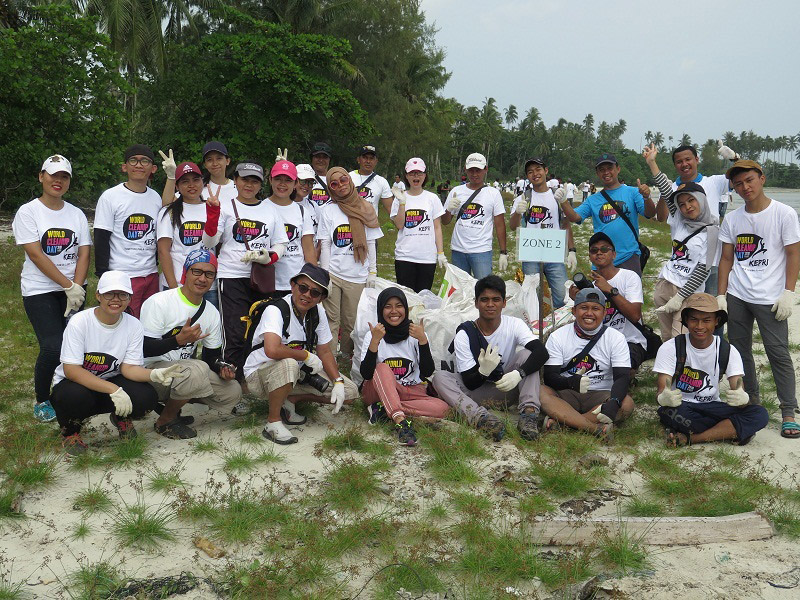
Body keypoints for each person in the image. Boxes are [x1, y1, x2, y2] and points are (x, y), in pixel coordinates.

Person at [49, 271, 183, 455]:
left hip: (113, 379)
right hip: (76, 384)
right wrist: (112, 390)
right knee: (73, 397)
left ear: (129, 298)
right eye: (109, 294)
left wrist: (153, 375)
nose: (116, 299)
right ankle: (70, 433)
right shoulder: (79, 322)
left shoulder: (133, 325)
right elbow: (71, 370)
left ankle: (121, 417)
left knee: (146, 397)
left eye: (122, 295)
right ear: (98, 295)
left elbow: (128, 368)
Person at [718, 160, 800, 439]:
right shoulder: (732, 218)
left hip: (770, 297)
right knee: (740, 353)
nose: (745, 187)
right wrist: (721, 295)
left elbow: (793, 254)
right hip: (738, 294)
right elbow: (726, 258)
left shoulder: (784, 214)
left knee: (778, 353)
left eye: (749, 180)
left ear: (761, 178)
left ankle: (788, 409)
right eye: (738, 184)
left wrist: (789, 292)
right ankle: (750, 399)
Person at [13, 155, 91, 422]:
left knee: (75, 345)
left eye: (64, 177)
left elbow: (83, 252)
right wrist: (67, 285)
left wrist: (77, 287)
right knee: (52, 346)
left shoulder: (76, 214)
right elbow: (36, 254)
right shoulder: (28, 211)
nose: (58, 181)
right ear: (41, 176)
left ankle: (69, 392)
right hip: (40, 290)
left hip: (74, 289)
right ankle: (42, 400)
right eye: (53, 175)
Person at [243, 264, 358, 444]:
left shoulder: (318, 312)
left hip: (293, 373)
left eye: (315, 293)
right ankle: (273, 423)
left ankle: (289, 400)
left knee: (350, 392)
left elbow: (325, 350)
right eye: (303, 288)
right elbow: (272, 350)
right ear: (292, 285)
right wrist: (305, 355)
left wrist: (338, 381)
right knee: (289, 363)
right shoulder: (276, 309)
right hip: (259, 375)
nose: (306, 295)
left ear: (321, 298)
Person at [432, 276, 549, 441]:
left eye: (496, 299)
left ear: (504, 303)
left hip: (505, 387)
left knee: (527, 355)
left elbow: (542, 352)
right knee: (440, 377)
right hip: (475, 392)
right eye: (484, 300)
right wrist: (483, 371)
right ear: (476, 303)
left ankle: (529, 415)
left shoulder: (514, 324)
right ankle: (481, 418)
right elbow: (470, 382)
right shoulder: (465, 334)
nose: (490, 304)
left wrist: (519, 374)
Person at [140, 250, 242, 439]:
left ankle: (172, 406)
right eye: (197, 271)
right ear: (185, 272)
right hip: (151, 373)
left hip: (184, 373)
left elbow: (211, 356)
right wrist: (177, 341)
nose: (202, 278)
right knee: (197, 369)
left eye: (209, 274)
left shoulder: (211, 312)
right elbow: (144, 348)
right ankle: (166, 420)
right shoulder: (159, 302)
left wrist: (222, 367)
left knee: (232, 391)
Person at [201, 161, 288, 380]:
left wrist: (268, 257)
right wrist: (212, 213)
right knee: (235, 330)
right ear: (236, 180)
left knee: (259, 327)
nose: (249, 185)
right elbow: (210, 240)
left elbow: (281, 243)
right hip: (231, 275)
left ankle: (254, 378)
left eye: (254, 181)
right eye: (244, 179)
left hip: (260, 278)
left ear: (261, 184)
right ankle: (232, 378)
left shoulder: (270, 209)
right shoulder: (226, 206)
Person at [653, 293, 768, 446]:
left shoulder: (728, 350)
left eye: (706, 320)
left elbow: (738, 389)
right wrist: (663, 398)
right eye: (694, 319)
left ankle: (689, 438)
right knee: (668, 412)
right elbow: (662, 392)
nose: (699, 326)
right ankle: (729, 430)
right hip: (681, 405)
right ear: (686, 320)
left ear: (716, 321)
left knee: (760, 415)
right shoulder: (670, 347)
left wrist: (743, 397)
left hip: (713, 406)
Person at [644, 141, 740, 294]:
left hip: (712, 258)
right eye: (679, 162)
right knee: (685, 309)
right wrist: (652, 164)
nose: (684, 164)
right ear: (675, 165)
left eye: (688, 159)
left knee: (711, 306)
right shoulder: (672, 189)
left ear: (697, 159)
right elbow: (661, 217)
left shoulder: (714, 182)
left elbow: (746, 175)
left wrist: (735, 159)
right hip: (684, 260)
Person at [539, 288, 633, 440]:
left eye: (595, 309)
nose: (589, 313)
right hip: (566, 393)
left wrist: (614, 402)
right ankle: (593, 428)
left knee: (626, 403)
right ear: (574, 311)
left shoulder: (616, 338)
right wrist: (570, 382)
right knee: (540, 391)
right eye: (584, 308)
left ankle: (566, 423)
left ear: (604, 313)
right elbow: (550, 377)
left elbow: (622, 377)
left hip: (600, 395)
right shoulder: (558, 336)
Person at [359, 288, 450, 446]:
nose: (394, 311)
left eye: (399, 305)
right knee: (381, 368)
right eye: (388, 306)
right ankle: (400, 421)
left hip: (410, 391)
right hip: (377, 390)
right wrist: (375, 342)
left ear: (405, 309)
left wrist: (423, 341)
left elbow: (427, 372)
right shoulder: (373, 335)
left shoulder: (416, 334)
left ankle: (382, 409)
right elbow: (366, 374)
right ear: (381, 310)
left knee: (442, 409)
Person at [317, 167, 383, 358]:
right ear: (331, 188)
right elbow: (326, 244)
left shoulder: (366, 207)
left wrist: (373, 272)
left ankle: (347, 354)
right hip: (334, 274)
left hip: (357, 275)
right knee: (331, 319)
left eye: (343, 180)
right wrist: (325, 274)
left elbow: (371, 242)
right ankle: (328, 356)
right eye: (334, 183)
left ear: (350, 180)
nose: (341, 186)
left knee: (351, 321)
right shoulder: (328, 210)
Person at [93, 144, 163, 317]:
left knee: (149, 322)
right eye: (133, 160)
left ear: (153, 168)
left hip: (151, 273)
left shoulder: (155, 197)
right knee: (123, 323)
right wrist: (103, 274)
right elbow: (101, 237)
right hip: (122, 274)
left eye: (144, 161)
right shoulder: (110, 196)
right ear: (124, 167)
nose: (139, 165)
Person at [559, 153, 656, 276]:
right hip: (601, 259)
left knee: (629, 295)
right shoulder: (592, 200)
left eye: (610, 168)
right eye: (602, 170)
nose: (606, 172)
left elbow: (650, 213)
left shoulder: (632, 192)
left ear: (618, 169)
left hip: (629, 256)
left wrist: (647, 197)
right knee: (600, 295)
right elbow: (575, 217)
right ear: (597, 173)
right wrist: (563, 201)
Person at [568, 233, 649, 370]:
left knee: (620, 366)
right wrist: (578, 302)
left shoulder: (629, 277)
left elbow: (635, 316)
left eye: (604, 249)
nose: (599, 253)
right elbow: (587, 323)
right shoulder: (590, 288)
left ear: (614, 255)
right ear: (590, 257)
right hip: (600, 342)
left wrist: (610, 290)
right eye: (594, 250)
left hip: (630, 341)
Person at [652, 182, 719, 340]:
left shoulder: (713, 232)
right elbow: (667, 192)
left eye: (691, 200)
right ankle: (670, 365)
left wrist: (680, 297)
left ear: (701, 199)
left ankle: (684, 365)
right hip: (665, 285)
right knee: (667, 337)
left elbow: (703, 270)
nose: (687, 207)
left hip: (688, 294)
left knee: (681, 338)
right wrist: (652, 162)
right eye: (682, 204)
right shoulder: (680, 220)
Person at [509, 157, 577, 309]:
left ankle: (559, 327)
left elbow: (566, 224)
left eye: (538, 170)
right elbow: (513, 226)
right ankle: (534, 328)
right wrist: (518, 213)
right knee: (532, 297)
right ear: (527, 176)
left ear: (546, 171)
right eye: (530, 172)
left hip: (554, 253)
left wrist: (571, 250)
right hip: (531, 254)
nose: (535, 174)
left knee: (562, 295)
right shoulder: (523, 197)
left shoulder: (557, 196)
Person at [157, 161, 218, 306]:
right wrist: (173, 288)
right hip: (179, 284)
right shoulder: (168, 212)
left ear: (202, 182)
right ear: (177, 187)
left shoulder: (212, 207)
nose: (191, 185)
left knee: (207, 328)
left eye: (195, 180)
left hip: (208, 285)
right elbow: (163, 251)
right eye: (185, 181)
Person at [441, 153, 508, 279]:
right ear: (465, 170)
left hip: (481, 251)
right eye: (471, 170)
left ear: (485, 169)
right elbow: (445, 221)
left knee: (483, 290)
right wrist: (449, 209)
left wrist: (503, 252)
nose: (474, 174)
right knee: (460, 291)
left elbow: (500, 224)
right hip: (458, 249)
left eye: (478, 170)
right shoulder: (456, 191)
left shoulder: (493, 194)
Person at [391, 157, 447, 292]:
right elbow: (399, 225)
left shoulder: (432, 198)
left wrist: (440, 252)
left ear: (425, 176)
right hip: (405, 256)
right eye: (412, 173)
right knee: (407, 298)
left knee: (423, 296)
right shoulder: (399, 197)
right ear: (406, 176)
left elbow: (437, 227)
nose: (416, 176)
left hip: (426, 257)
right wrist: (402, 203)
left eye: (419, 173)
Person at [266, 160, 316, 295]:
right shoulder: (261, 207)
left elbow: (309, 249)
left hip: (296, 282)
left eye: (288, 180)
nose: (282, 184)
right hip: (267, 281)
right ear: (270, 180)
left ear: (295, 184)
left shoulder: (302, 211)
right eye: (278, 179)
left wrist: (313, 281)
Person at [349, 145, 393, 219]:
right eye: (365, 158)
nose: (368, 161)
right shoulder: (348, 178)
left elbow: (391, 210)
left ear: (376, 161)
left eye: (371, 158)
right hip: (351, 225)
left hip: (371, 226)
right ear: (358, 159)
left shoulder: (382, 182)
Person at [308, 142, 332, 210]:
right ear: (311, 159)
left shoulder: (335, 180)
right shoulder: (304, 178)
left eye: (325, 157)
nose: (321, 160)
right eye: (317, 157)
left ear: (329, 160)